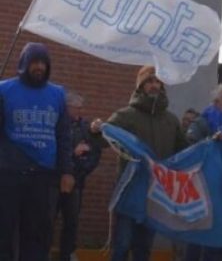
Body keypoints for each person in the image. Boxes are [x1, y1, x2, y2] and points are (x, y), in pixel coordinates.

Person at [0, 42, 74, 261]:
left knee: (37, 235)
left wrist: (67, 171)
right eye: (34, 62)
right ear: (24, 63)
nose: (39, 67)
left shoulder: (57, 94)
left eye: (43, 63)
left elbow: (64, 136)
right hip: (9, 174)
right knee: (4, 232)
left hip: (43, 176)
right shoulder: (4, 90)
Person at [103, 66, 186, 261]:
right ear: (140, 86)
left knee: (144, 247)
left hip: (155, 193)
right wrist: (95, 131)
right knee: (122, 245)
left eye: (157, 81)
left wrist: (209, 144)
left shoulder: (171, 121)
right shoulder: (126, 115)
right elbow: (104, 136)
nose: (154, 85)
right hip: (129, 191)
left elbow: (184, 150)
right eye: (149, 81)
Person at [184, 84, 222, 261]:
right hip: (205, 187)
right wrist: (211, 141)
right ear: (216, 102)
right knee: (200, 233)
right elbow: (191, 147)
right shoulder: (202, 122)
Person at [55, 91, 103, 261]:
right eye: (77, 108)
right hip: (53, 181)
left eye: (82, 108)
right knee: (47, 219)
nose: (80, 111)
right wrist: (73, 154)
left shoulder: (85, 128)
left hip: (76, 182)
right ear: (67, 107)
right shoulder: (56, 124)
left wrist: (81, 171)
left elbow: (94, 153)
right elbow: (53, 152)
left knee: (72, 221)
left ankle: (67, 254)